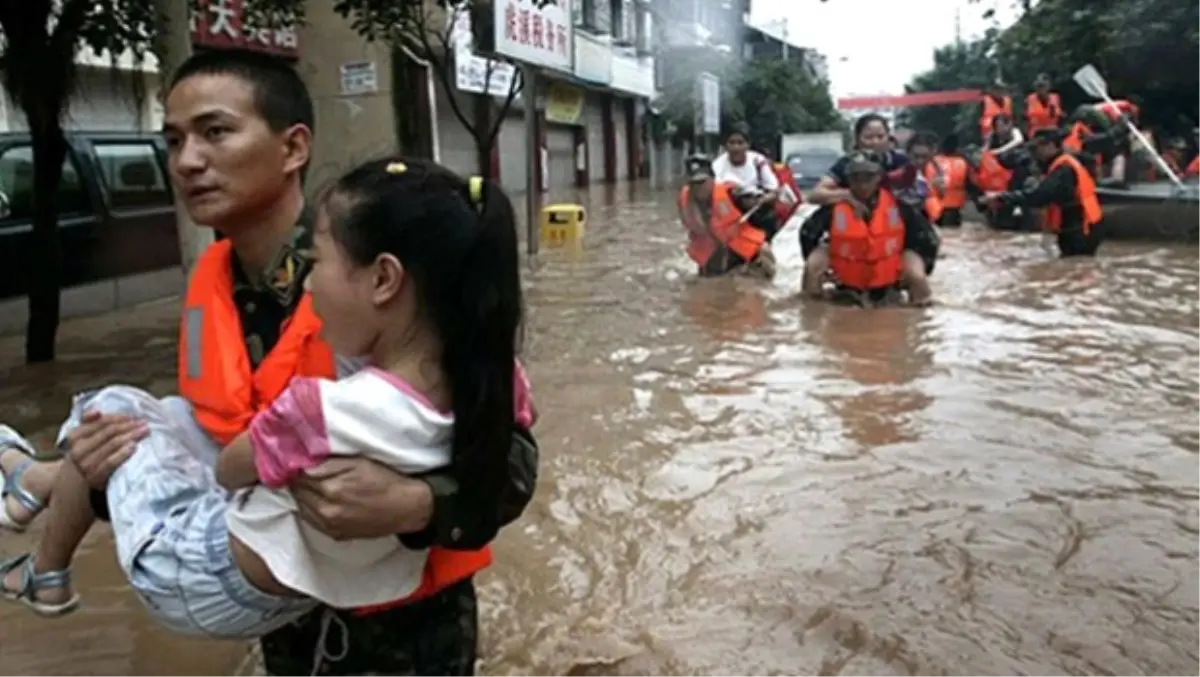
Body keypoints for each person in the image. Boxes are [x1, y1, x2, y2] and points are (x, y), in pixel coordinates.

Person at [21, 49, 539, 676]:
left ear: (293, 148)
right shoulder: (211, 284)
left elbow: (509, 452)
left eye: (215, 132)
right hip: (279, 611)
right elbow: (220, 452)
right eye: (173, 139)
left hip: (405, 631)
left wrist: (420, 504)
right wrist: (107, 470)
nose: (187, 161)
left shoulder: (381, 271)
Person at [798, 151, 939, 307]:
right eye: (856, 178)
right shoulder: (834, 206)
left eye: (868, 178)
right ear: (848, 180)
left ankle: (921, 311)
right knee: (812, 267)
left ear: (879, 177)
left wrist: (920, 266)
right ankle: (811, 310)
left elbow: (928, 239)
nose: (862, 184)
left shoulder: (899, 205)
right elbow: (807, 234)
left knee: (917, 276)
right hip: (846, 275)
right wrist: (827, 268)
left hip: (889, 270)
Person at [986, 128, 1104, 258]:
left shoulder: (1063, 168)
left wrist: (1003, 198)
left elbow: (1040, 196)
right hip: (1083, 227)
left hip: (1080, 230)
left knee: (1077, 268)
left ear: (1051, 145)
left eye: (1037, 148)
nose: (1035, 153)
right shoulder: (1065, 163)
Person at [678, 154, 774, 278]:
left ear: (713, 179)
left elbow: (764, 213)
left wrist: (765, 243)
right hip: (710, 253)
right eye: (694, 183)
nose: (698, 188)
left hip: (741, 245)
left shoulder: (732, 193)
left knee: (764, 255)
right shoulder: (683, 200)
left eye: (702, 182)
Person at [809, 113, 914, 206]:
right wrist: (847, 194)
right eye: (868, 137)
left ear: (888, 137)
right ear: (857, 139)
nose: (875, 142)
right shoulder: (846, 163)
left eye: (880, 136)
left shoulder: (901, 162)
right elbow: (815, 194)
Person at [710, 124, 782, 239]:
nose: (736, 147)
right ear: (726, 146)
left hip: (759, 212)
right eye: (731, 143)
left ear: (748, 145)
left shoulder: (758, 161)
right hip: (731, 215)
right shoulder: (717, 166)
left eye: (740, 143)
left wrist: (763, 200)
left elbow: (775, 190)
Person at [932, 134, 971, 227]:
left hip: (935, 206)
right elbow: (970, 184)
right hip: (954, 208)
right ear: (957, 147)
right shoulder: (963, 162)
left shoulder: (934, 161)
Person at [906, 134, 944, 223]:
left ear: (932, 154)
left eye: (924, 157)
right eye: (916, 156)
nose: (920, 161)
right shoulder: (898, 174)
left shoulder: (939, 172)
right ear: (908, 153)